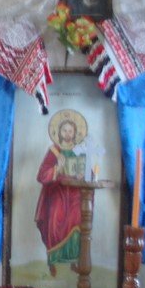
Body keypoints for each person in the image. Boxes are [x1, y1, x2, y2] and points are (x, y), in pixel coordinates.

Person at [34, 114, 84, 278]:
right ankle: (53, 262)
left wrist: (82, 175)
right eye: (64, 130)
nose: (68, 133)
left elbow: (88, 171)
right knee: (55, 221)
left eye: (71, 131)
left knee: (77, 221)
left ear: (75, 133)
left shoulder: (80, 150)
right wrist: (57, 168)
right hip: (57, 193)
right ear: (59, 132)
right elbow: (41, 175)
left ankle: (74, 261)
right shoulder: (54, 151)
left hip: (75, 194)